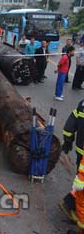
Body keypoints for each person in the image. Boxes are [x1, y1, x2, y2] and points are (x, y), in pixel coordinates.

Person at [60, 99, 84, 231]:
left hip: (81, 152)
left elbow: (71, 123)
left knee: (80, 182)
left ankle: (70, 204)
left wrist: (68, 141)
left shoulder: (82, 104)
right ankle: (70, 204)